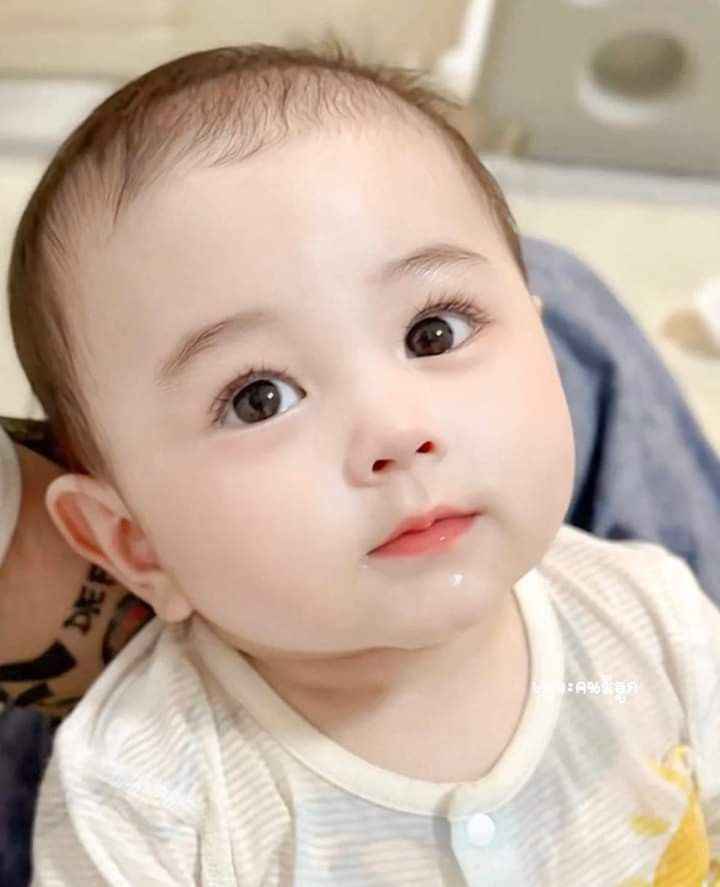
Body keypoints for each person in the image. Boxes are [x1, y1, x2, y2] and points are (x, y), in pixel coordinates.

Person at [4, 39, 720, 886]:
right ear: (132, 543)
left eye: (434, 332)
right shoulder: (144, 802)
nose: (396, 429)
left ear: (540, 338)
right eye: (259, 397)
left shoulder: (656, 623)